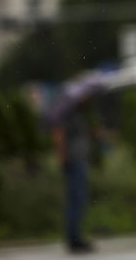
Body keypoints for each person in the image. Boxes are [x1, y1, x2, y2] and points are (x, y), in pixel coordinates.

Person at [53, 100, 95, 254]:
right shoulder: (69, 115)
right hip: (74, 161)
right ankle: (74, 238)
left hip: (78, 160)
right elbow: (59, 134)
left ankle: (76, 236)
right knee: (76, 199)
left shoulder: (79, 115)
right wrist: (62, 156)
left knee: (79, 199)